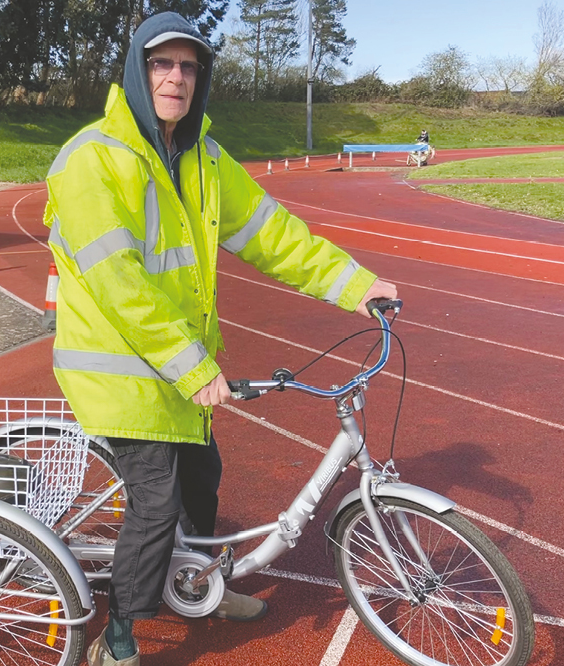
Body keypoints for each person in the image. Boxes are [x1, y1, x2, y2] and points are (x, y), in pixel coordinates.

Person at [43, 12, 397, 666]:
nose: (176, 77)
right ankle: (117, 638)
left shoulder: (204, 157)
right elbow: (121, 285)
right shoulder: (91, 160)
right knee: (154, 506)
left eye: (188, 66)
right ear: (136, 69)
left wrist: (355, 284)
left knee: (203, 478)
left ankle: (202, 583)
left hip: (181, 367)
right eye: (161, 63)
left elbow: (273, 235)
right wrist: (191, 366)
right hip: (120, 368)